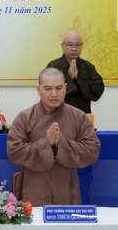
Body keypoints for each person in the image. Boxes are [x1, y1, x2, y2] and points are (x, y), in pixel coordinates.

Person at [7, 68, 100, 206]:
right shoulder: (25, 118)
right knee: (35, 219)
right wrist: (46, 144)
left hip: (67, 188)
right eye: (48, 88)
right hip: (34, 187)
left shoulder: (78, 117)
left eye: (59, 88)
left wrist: (62, 143)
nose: (54, 94)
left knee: (65, 220)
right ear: (38, 89)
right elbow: (14, 151)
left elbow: (92, 150)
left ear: (65, 88)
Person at [47, 29, 104, 113]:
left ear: (82, 46)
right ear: (63, 46)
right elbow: (48, 92)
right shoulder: (53, 66)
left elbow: (97, 91)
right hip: (58, 114)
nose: (74, 48)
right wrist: (69, 77)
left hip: (82, 113)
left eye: (77, 45)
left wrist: (78, 78)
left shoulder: (88, 67)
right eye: (70, 45)